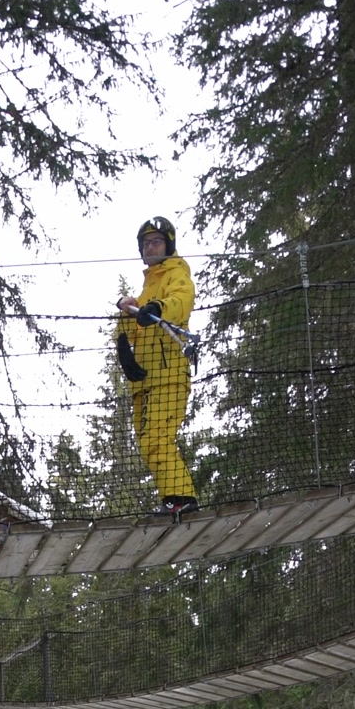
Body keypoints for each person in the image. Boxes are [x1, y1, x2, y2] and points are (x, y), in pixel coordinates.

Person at [116, 217, 198, 519]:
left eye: (157, 241)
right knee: (148, 443)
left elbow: (181, 300)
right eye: (146, 243)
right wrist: (124, 345)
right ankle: (173, 499)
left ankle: (182, 497)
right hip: (145, 380)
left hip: (169, 374)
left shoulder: (177, 273)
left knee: (157, 438)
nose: (151, 247)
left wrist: (159, 308)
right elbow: (135, 324)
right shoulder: (148, 286)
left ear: (169, 244)